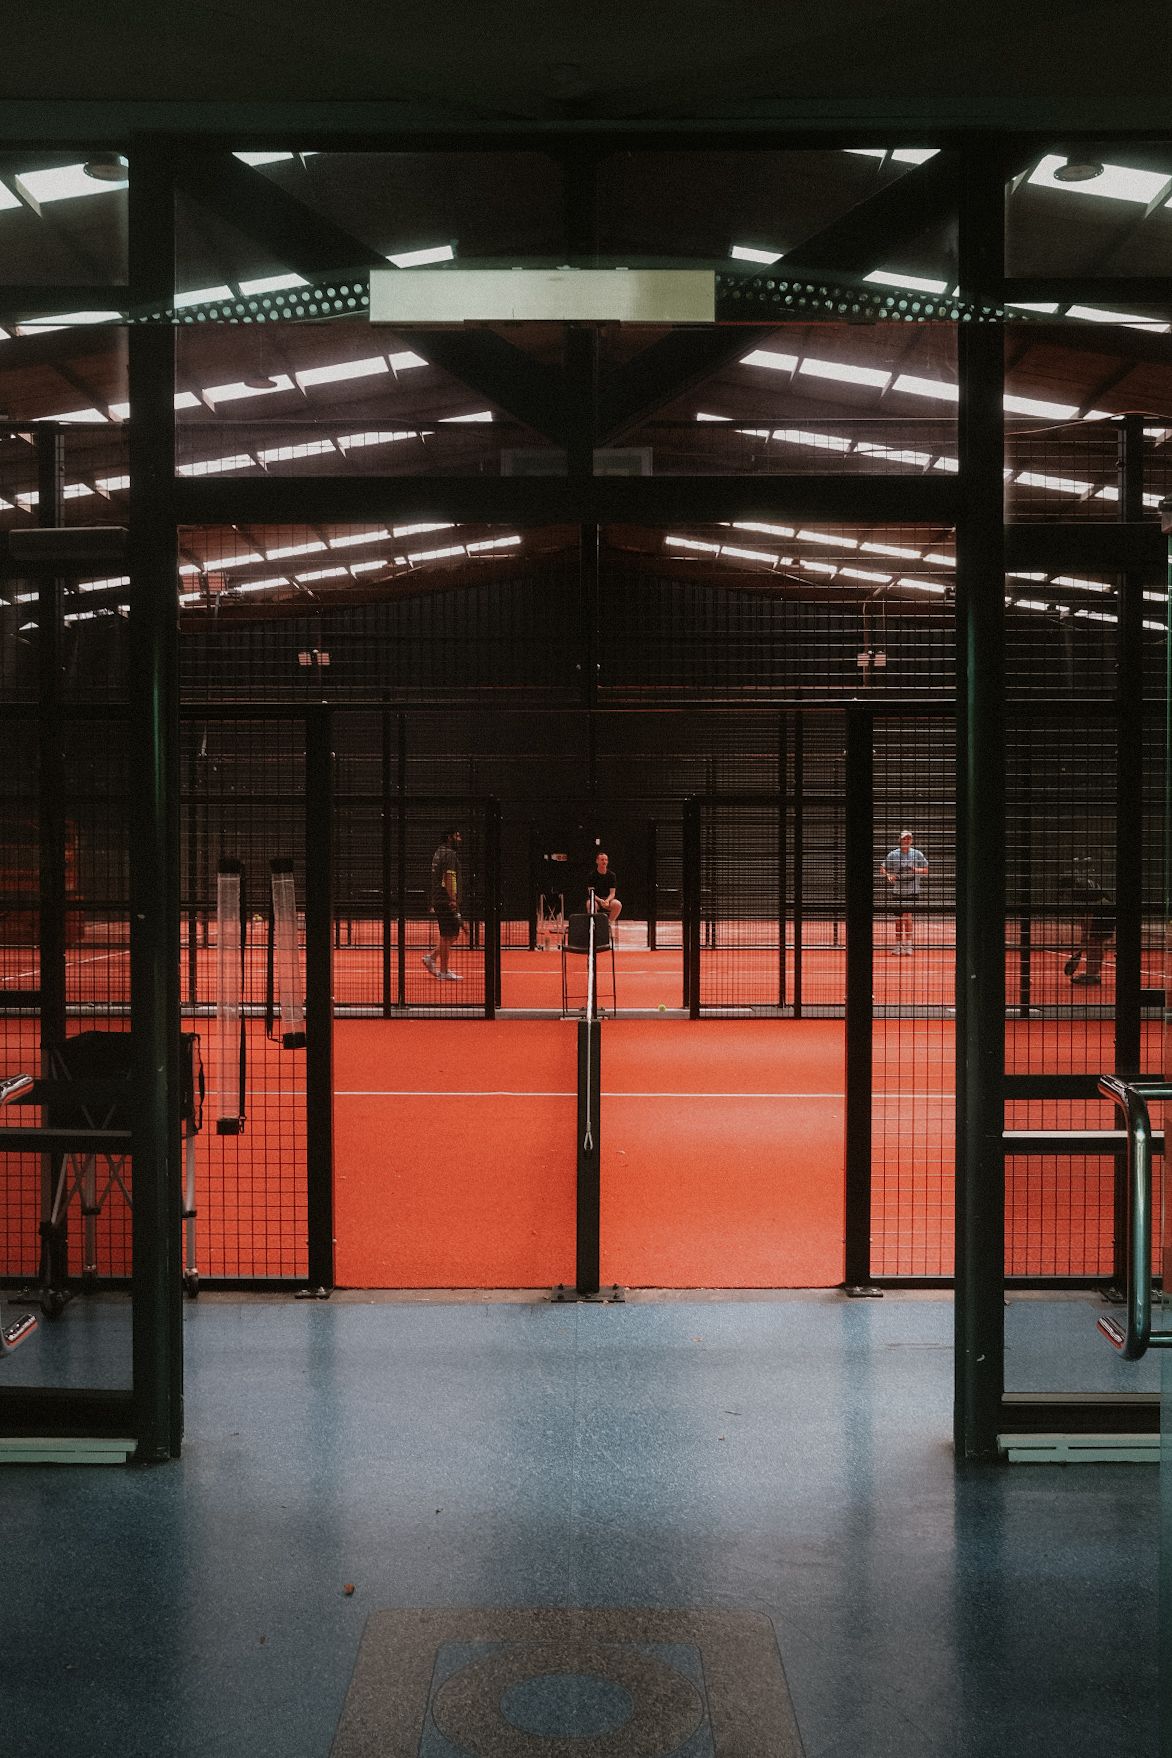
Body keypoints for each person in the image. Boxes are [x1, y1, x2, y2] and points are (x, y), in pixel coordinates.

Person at [1064, 857, 1115, 986]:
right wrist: (1085, 934)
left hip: (1102, 911)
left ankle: (1091, 975)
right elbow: (1084, 915)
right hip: (1107, 909)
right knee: (1096, 942)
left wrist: (1086, 934)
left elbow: (1088, 913)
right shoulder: (1081, 885)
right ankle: (1094, 974)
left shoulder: (1078, 891)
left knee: (1094, 942)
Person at [423, 827, 464, 981]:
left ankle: (431, 958)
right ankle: (444, 971)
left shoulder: (438, 852)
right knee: (448, 936)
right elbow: (449, 877)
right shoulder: (449, 854)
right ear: (449, 837)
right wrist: (453, 899)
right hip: (446, 900)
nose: (460, 839)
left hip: (439, 899)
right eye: (457, 836)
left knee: (451, 935)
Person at [880, 829, 928, 954]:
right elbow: (883, 868)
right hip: (898, 891)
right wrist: (888, 875)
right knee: (898, 919)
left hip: (912, 890)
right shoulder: (893, 854)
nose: (906, 840)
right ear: (900, 840)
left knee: (907, 917)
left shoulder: (917, 854)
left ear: (911, 840)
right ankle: (898, 945)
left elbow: (926, 869)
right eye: (904, 838)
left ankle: (908, 945)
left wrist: (915, 870)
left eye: (908, 838)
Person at [586, 849, 622, 938]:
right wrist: (600, 900)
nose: (604, 862)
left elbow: (612, 893)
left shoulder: (611, 875)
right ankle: (595, 926)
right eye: (602, 860)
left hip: (608, 899)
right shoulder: (592, 875)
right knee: (590, 904)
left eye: (606, 860)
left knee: (618, 904)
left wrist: (607, 900)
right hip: (596, 899)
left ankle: (607, 926)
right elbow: (591, 892)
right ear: (597, 861)